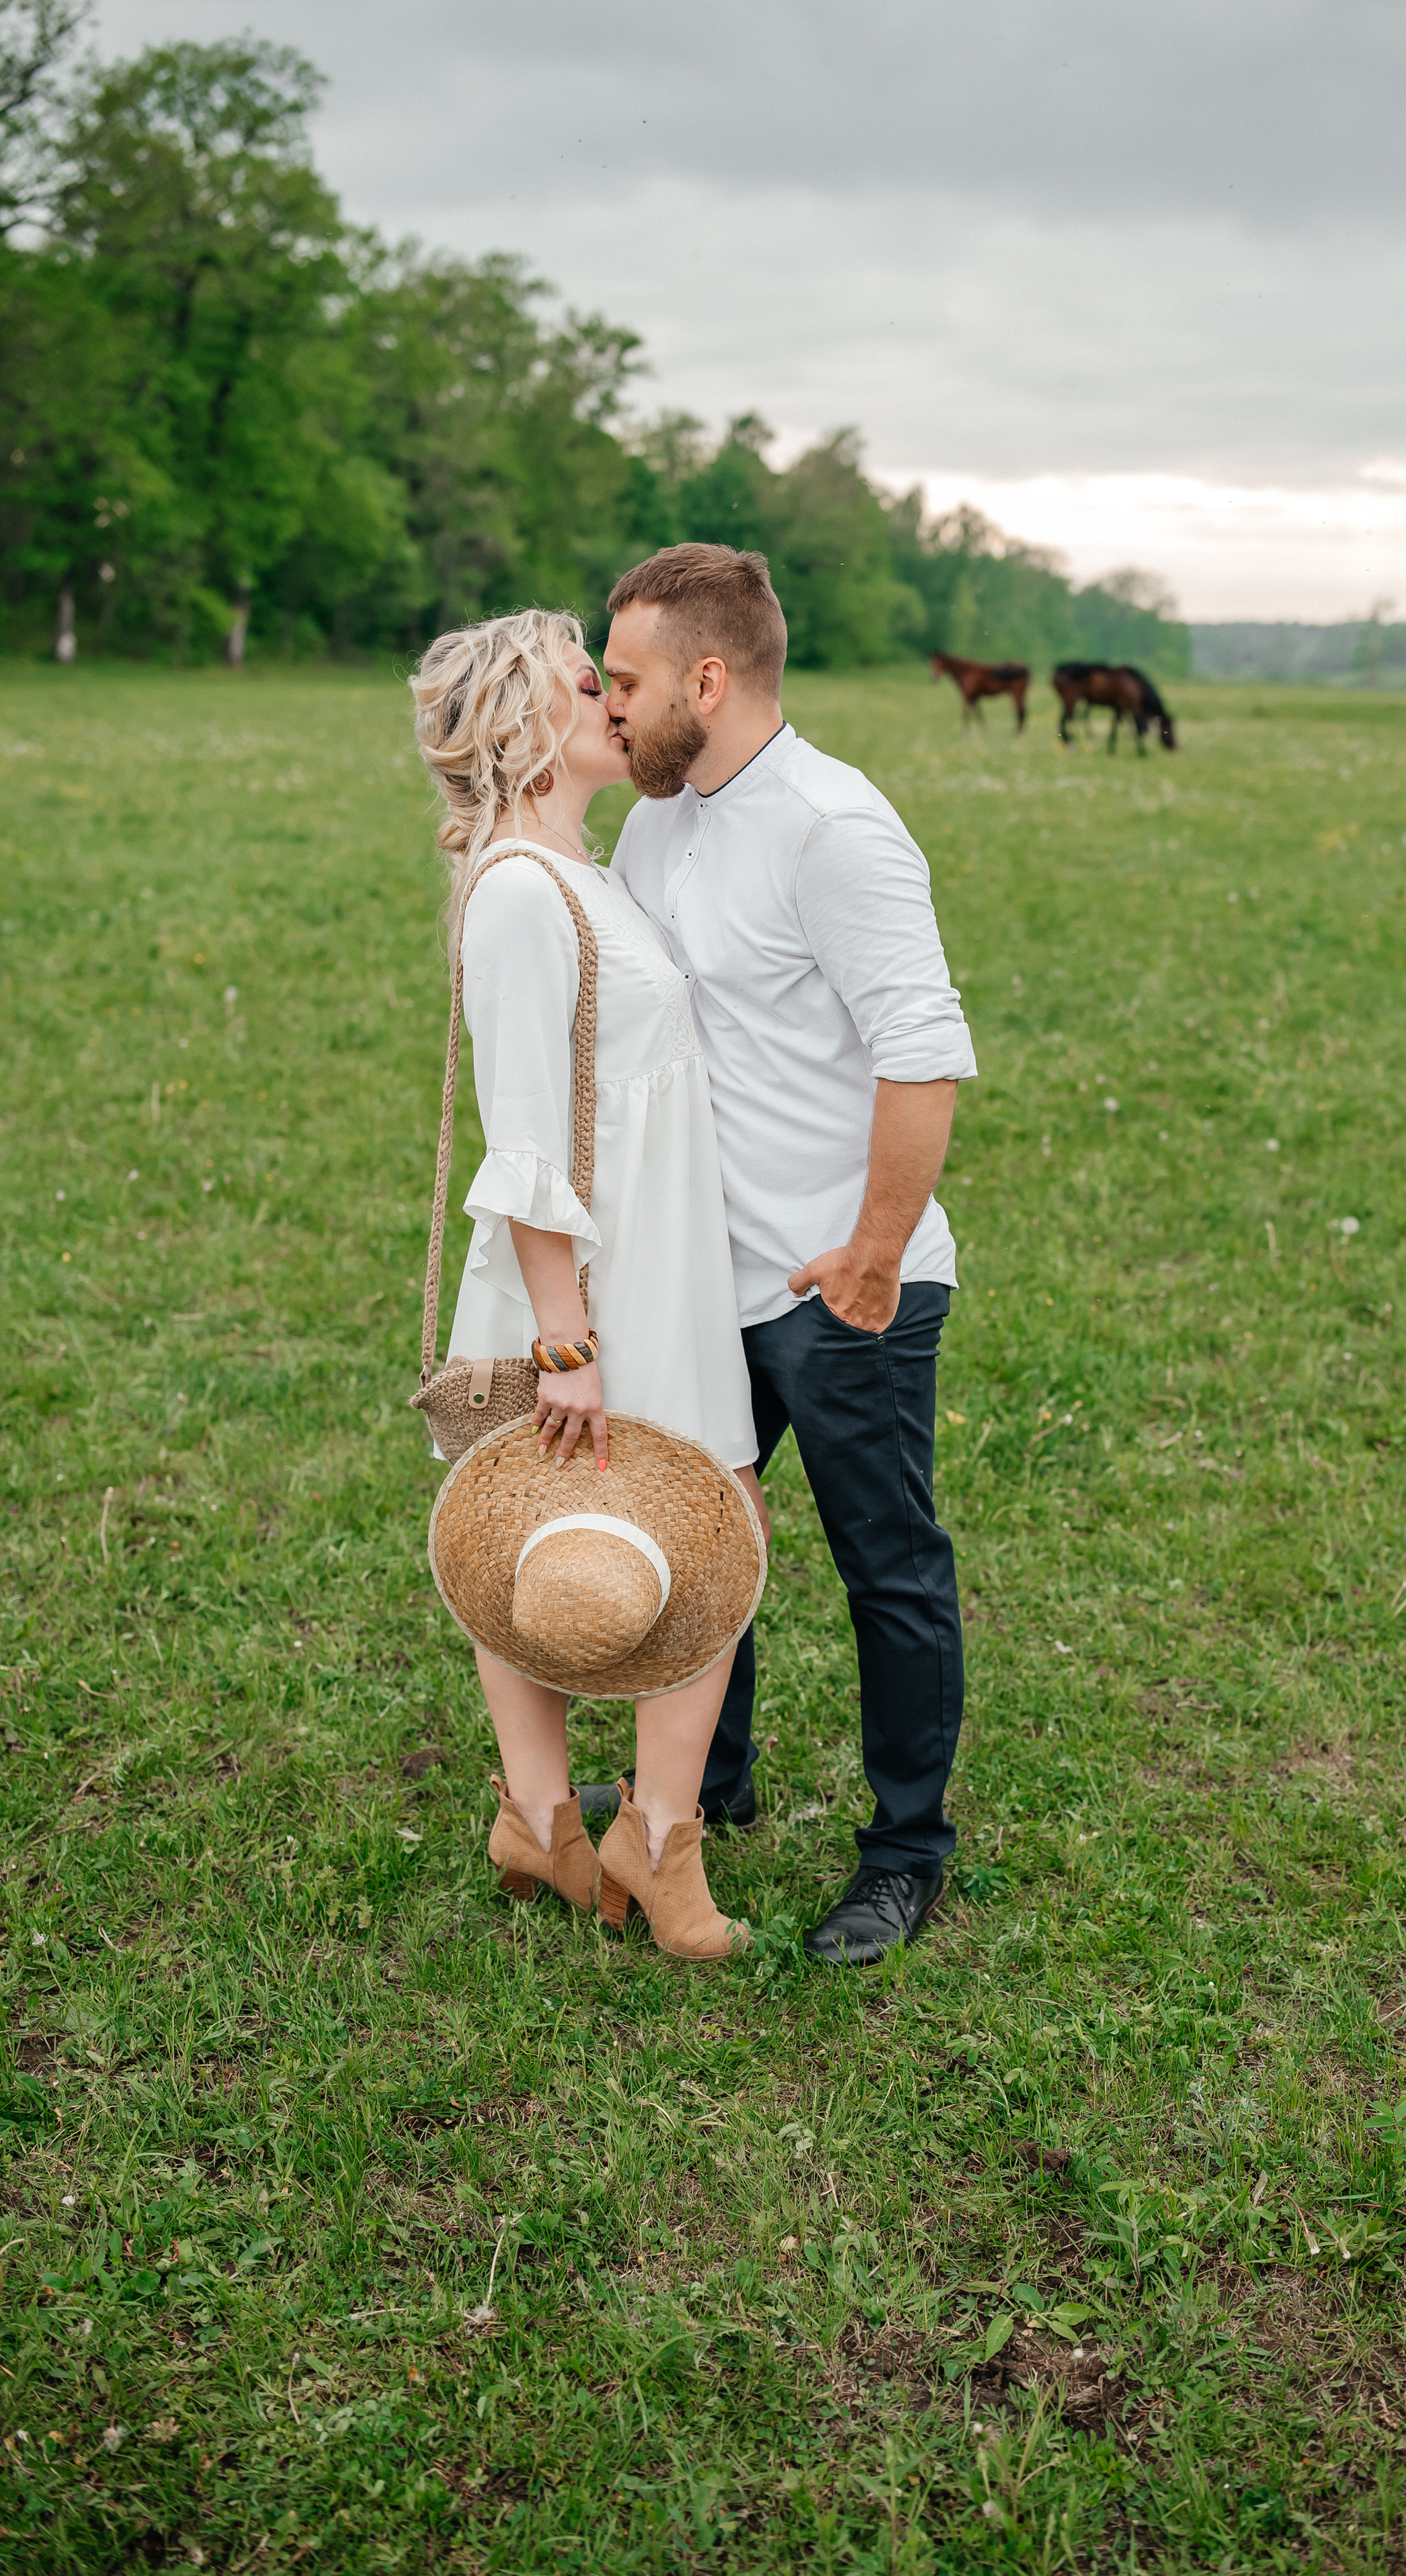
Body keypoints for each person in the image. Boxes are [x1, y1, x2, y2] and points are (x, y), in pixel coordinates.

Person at [602, 544, 978, 1968]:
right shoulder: (664, 822)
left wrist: (874, 1253)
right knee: (705, 1546)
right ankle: (707, 1784)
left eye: (626, 680)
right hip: (706, 1275)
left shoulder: (833, 828)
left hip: (838, 1279)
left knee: (885, 1562)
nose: (611, 706)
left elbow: (922, 1058)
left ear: (709, 677)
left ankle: (904, 1856)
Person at [409, 607, 770, 1959]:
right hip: (586, 1283)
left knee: (687, 1527)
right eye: (586, 681)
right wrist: (565, 1336)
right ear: (526, 720)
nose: (614, 700)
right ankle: (600, 1826)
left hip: (648, 1255)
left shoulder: (582, 865)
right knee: (596, 1530)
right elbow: (520, 1132)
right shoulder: (517, 888)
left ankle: (583, 1822)